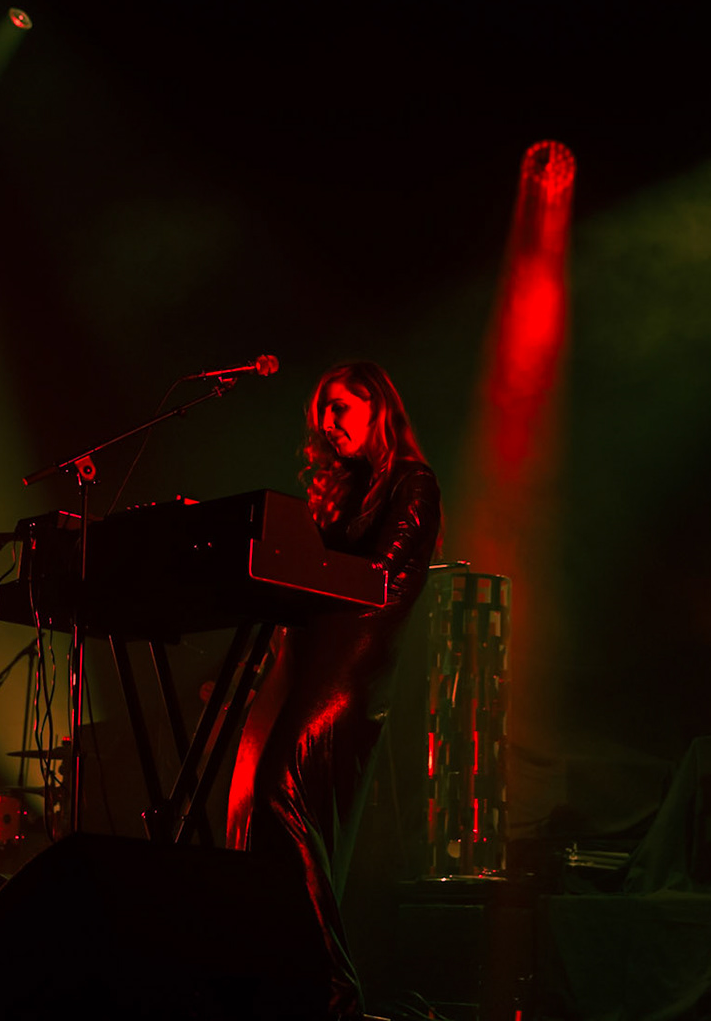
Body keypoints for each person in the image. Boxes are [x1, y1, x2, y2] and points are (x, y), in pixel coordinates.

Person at [227, 361, 442, 1019]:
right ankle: (293, 981)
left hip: (356, 664)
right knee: (276, 816)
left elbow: (386, 581)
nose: (327, 425)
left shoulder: (414, 483)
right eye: (323, 412)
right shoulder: (348, 490)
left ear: (379, 407)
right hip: (317, 660)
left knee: (281, 794)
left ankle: (334, 989)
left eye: (341, 409)